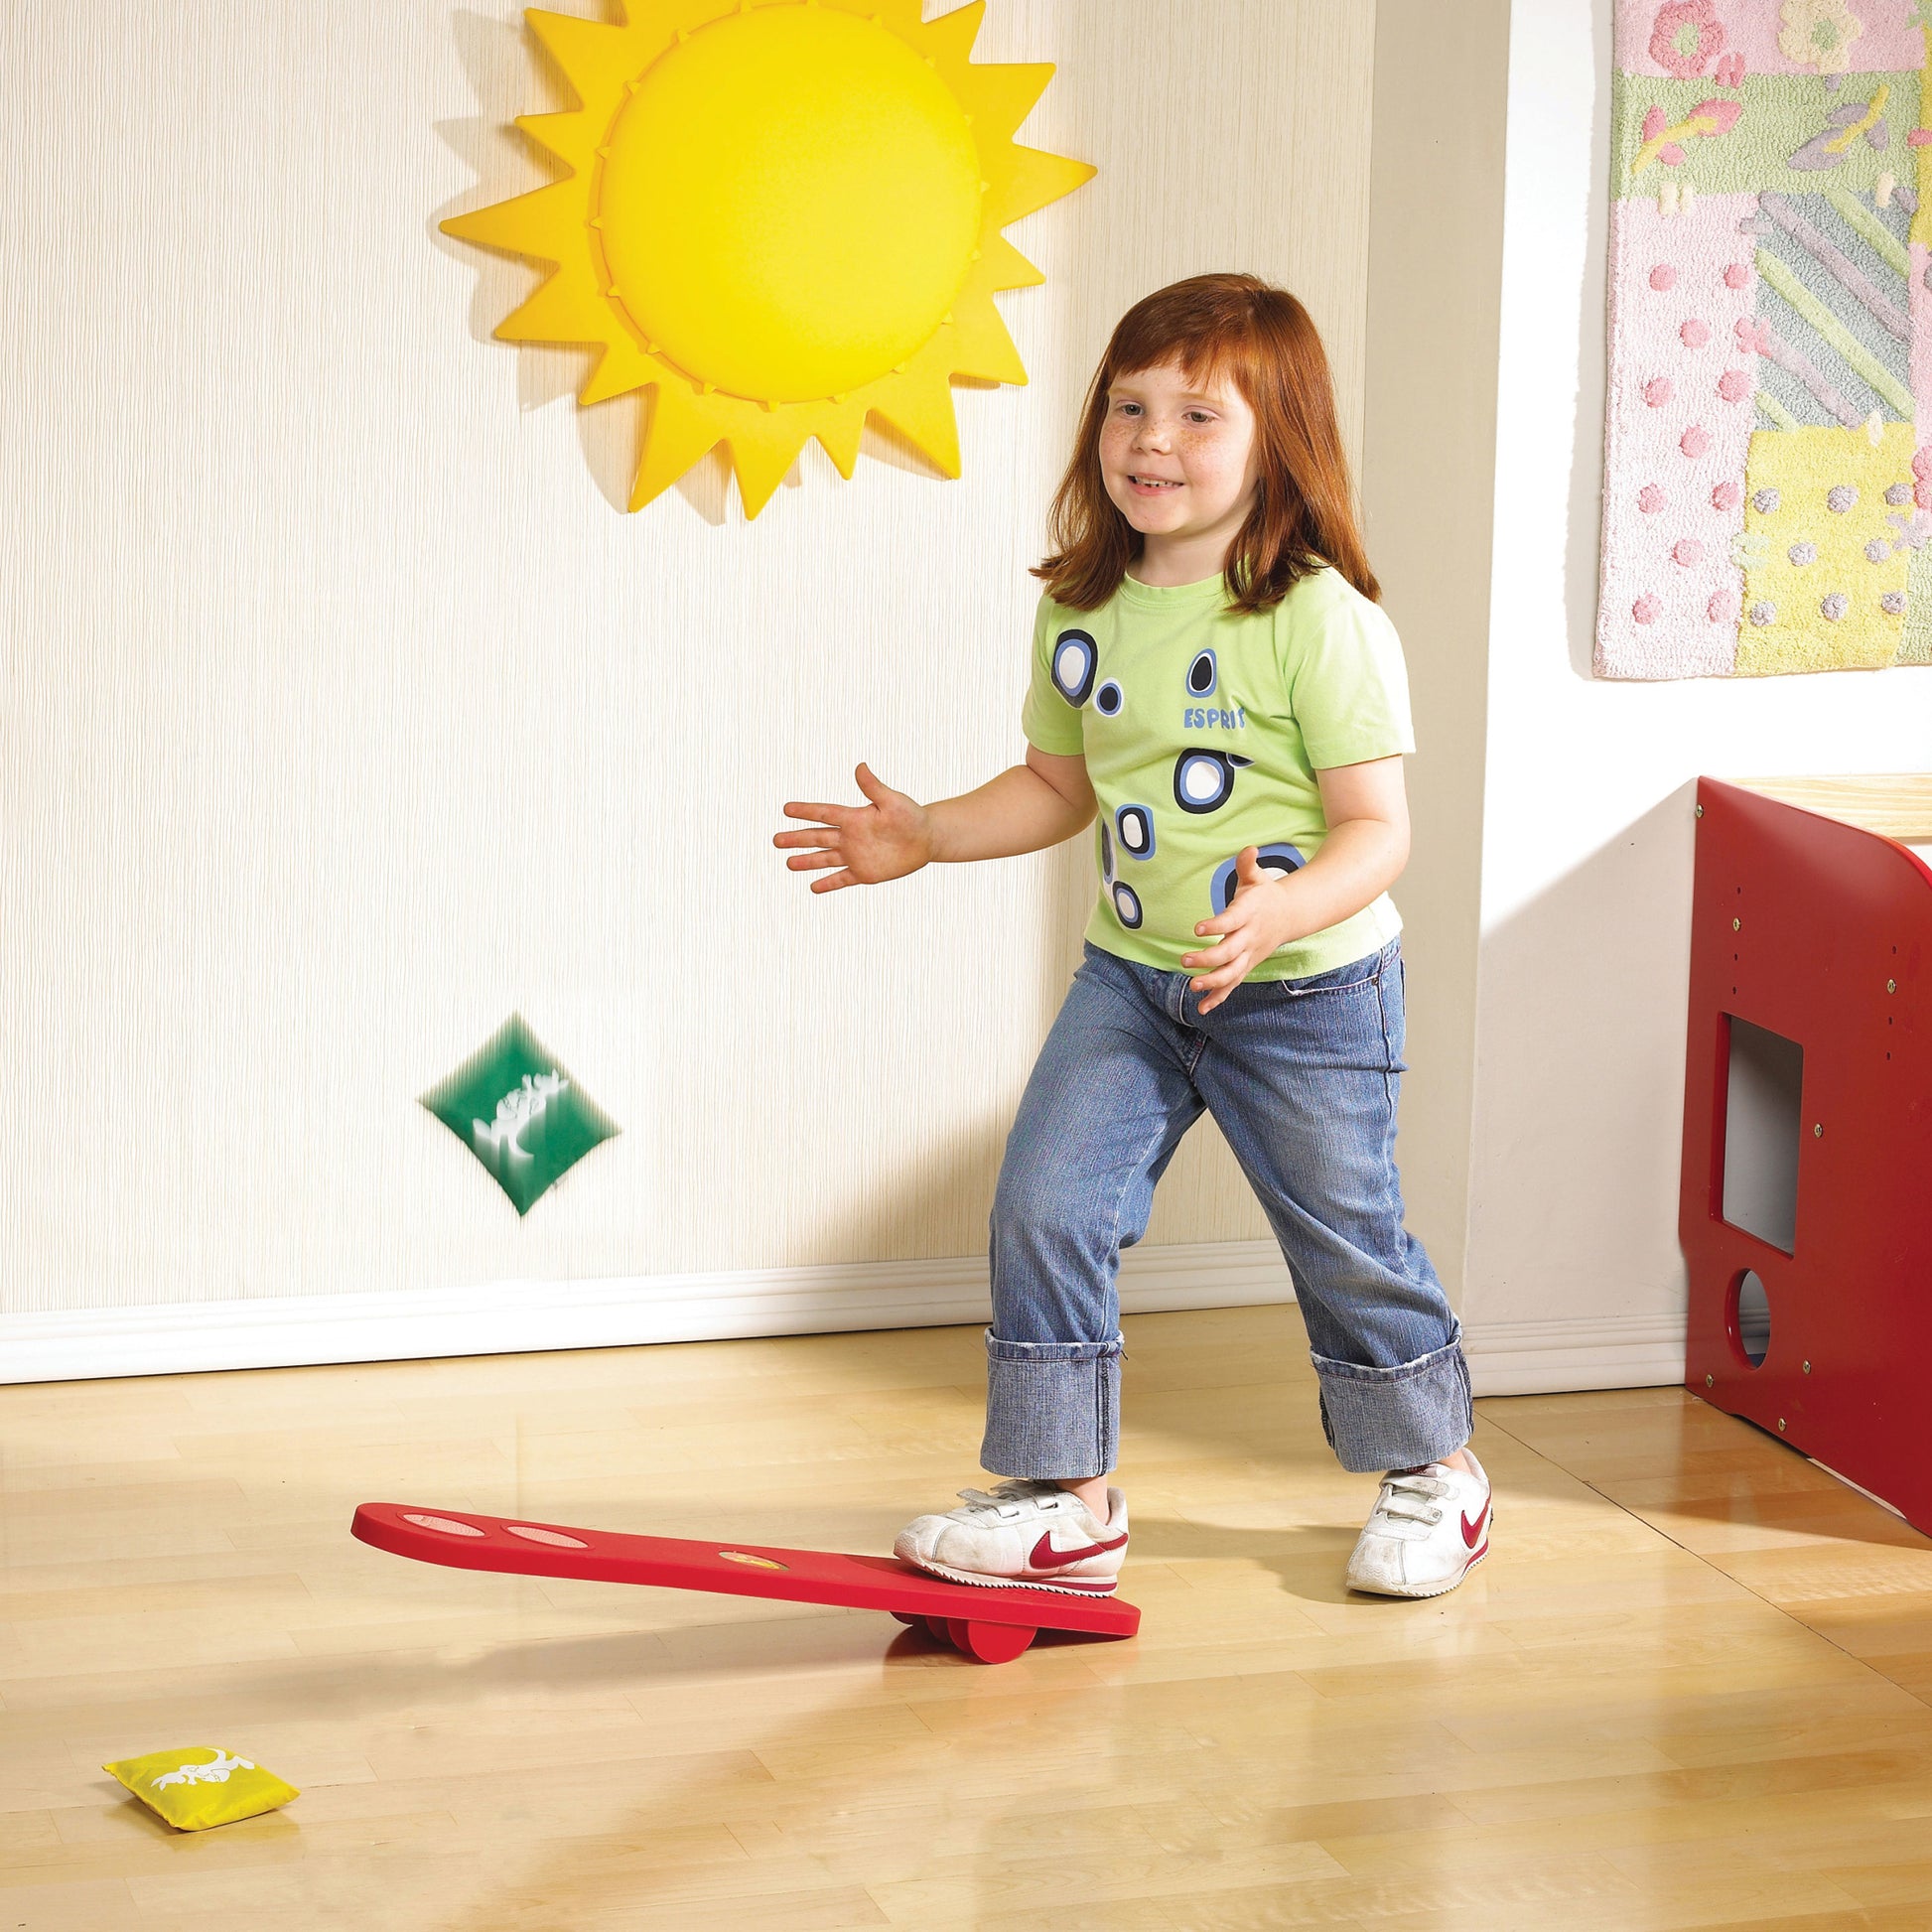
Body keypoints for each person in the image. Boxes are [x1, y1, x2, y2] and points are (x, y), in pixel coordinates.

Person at [773, 272, 1488, 1602]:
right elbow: (1059, 786)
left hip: (1308, 991)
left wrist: (1279, 909)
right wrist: (928, 832)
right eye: (1127, 407)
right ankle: (1066, 1501)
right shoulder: (1081, 605)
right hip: (1134, 980)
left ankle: (1434, 1470)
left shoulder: (1316, 618)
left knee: (1344, 1237)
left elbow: (1376, 831)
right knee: (1047, 1203)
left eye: (1197, 415)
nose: (1151, 440)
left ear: (1277, 443)